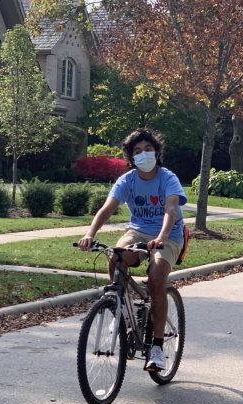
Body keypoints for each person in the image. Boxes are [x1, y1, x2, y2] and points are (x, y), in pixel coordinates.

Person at [77, 128, 187, 371]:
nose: (144, 154)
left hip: (167, 234)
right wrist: (89, 234)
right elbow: (106, 209)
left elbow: (170, 209)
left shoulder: (168, 178)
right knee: (115, 256)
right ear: (131, 157)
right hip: (138, 231)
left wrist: (162, 236)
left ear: (157, 153)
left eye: (148, 149)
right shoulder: (127, 180)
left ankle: (157, 347)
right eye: (137, 151)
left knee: (156, 278)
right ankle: (119, 310)